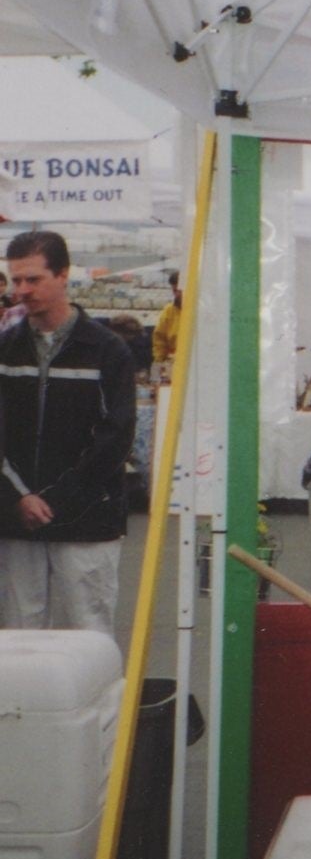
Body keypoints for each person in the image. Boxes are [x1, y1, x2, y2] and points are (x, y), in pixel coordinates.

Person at [0, 231, 137, 633]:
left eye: (33, 279)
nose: (22, 290)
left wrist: (57, 498)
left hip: (87, 521)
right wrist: (17, 497)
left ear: (63, 275)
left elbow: (115, 436)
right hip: (16, 521)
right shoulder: (5, 349)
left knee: (89, 631)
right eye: (15, 280)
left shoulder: (108, 351)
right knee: (18, 635)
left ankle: (100, 702)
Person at [152, 268, 182, 372]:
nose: (177, 294)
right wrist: (155, 375)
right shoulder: (169, 311)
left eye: (180, 291)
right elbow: (159, 342)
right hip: (173, 365)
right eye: (174, 291)